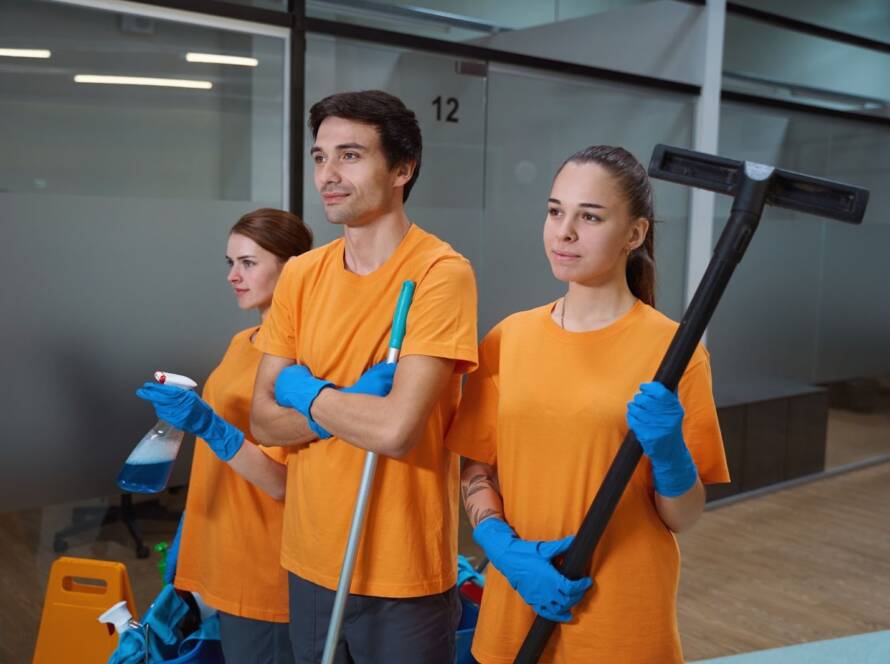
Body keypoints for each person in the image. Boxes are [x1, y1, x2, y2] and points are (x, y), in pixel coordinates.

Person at [446, 146, 730, 663]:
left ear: (635, 233)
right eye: (556, 211)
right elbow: (476, 465)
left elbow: (684, 516)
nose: (564, 232)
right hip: (517, 607)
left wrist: (668, 454)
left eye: (590, 216)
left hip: (621, 617)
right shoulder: (509, 338)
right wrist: (501, 547)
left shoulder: (675, 353)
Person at [249, 90, 478, 664]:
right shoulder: (301, 275)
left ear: (403, 168)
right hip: (309, 559)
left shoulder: (440, 274)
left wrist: (304, 394)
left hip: (402, 572)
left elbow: (396, 431)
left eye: (350, 156)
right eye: (320, 156)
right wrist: (342, 403)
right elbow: (262, 420)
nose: (328, 174)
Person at [136, 208, 313, 664]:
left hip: (264, 564)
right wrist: (190, 530)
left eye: (248, 263)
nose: (234, 276)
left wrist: (210, 425)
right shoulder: (245, 341)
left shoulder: (305, 360)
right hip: (221, 547)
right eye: (230, 263)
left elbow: (284, 483)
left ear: (291, 267)